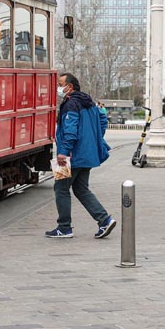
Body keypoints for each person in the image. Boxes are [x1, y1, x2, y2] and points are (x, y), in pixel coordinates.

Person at [46, 73, 115, 239]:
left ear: (70, 86)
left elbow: (70, 130)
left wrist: (63, 152)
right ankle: (104, 220)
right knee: (80, 188)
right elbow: (103, 121)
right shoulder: (89, 102)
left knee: (61, 188)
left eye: (61, 84)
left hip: (72, 156)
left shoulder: (71, 104)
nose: (59, 87)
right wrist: (91, 139)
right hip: (87, 154)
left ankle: (64, 227)